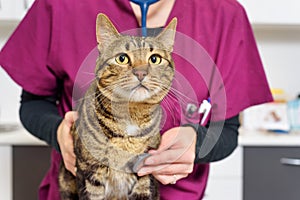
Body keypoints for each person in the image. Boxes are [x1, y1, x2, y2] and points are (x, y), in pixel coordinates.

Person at [0, 0, 273, 199]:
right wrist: (59, 132)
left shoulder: (224, 15)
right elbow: (34, 104)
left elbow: (227, 130)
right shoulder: (59, 5)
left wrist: (197, 142)